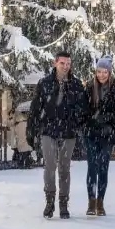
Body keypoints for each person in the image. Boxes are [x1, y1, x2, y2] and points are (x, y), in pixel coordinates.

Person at [27, 51, 86, 219]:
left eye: (68, 64)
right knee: (50, 166)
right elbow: (35, 109)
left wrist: (76, 122)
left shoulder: (75, 84)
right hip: (49, 130)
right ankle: (50, 200)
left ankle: (63, 202)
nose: (66, 67)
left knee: (65, 168)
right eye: (62, 63)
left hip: (68, 132)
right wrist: (31, 130)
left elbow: (82, 108)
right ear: (55, 63)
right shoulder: (45, 83)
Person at [83, 56, 115, 216]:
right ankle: (91, 201)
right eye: (99, 71)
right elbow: (83, 111)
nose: (101, 75)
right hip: (91, 134)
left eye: (105, 72)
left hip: (107, 135)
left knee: (103, 168)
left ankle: (100, 202)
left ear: (110, 72)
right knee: (92, 167)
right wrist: (88, 125)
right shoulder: (89, 87)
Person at [11, 102, 33, 168]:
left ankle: (21, 164)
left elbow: (14, 136)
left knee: (21, 157)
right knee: (27, 156)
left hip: (20, 145)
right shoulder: (29, 125)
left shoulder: (17, 126)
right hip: (28, 145)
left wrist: (14, 146)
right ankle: (27, 164)